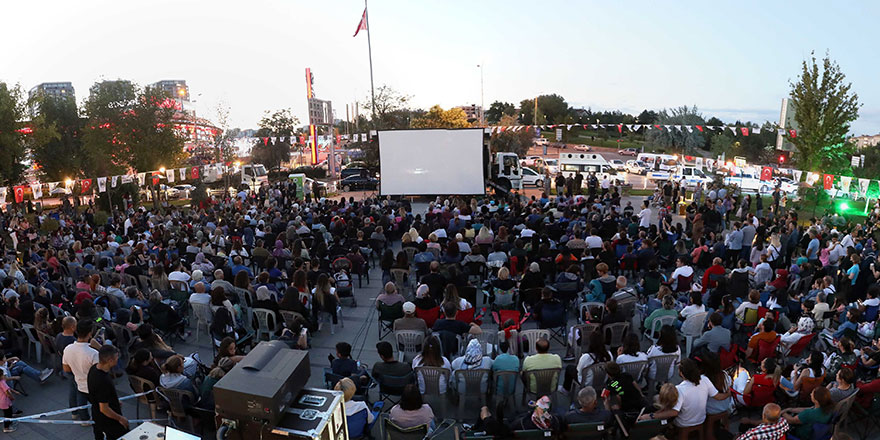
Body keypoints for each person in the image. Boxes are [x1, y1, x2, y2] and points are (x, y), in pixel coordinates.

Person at [88, 345, 129, 440]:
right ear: (110, 360)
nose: (117, 359)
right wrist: (120, 418)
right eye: (116, 357)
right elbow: (104, 409)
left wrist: (114, 400)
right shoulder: (103, 380)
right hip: (108, 421)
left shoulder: (94, 368)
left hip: (97, 416)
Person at [62, 319, 99, 422]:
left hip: (78, 380)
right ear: (90, 333)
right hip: (93, 386)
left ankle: (83, 418)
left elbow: (66, 368)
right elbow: (99, 373)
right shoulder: (93, 353)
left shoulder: (68, 349)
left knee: (80, 398)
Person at [0, 368, 20, 433]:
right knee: (7, 414)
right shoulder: (2, 382)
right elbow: (7, 392)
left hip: (2, 401)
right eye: (3, 374)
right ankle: (6, 427)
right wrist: (11, 397)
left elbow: (7, 388)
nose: (4, 375)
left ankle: (11, 421)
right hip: (5, 401)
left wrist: (14, 391)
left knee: (8, 412)